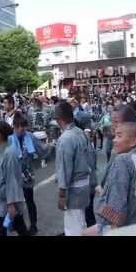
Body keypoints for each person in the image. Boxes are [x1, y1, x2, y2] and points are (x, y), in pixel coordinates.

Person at [83, 123, 136, 236]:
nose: (114, 140)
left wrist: (114, 229)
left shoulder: (123, 160)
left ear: (133, 141)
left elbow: (117, 202)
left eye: (119, 136)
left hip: (121, 227)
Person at [54, 101, 91, 236]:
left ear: (59, 119)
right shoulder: (80, 132)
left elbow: (65, 169)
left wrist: (62, 194)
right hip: (84, 183)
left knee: (74, 227)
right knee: (80, 221)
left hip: (73, 188)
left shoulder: (65, 138)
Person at [11, 113, 49, 235]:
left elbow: (41, 149)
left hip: (27, 174)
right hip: (13, 174)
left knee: (29, 200)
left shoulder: (30, 137)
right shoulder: (9, 139)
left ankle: (33, 224)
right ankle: (16, 225)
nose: (23, 129)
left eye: (24, 126)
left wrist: (52, 146)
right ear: (14, 126)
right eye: (20, 127)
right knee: (15, 202)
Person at [0, 121, 28, 236]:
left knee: (5, 229)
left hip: (7, 201)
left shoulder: (10, 153)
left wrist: (10, 204)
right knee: (18, 227)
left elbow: (12, 180)